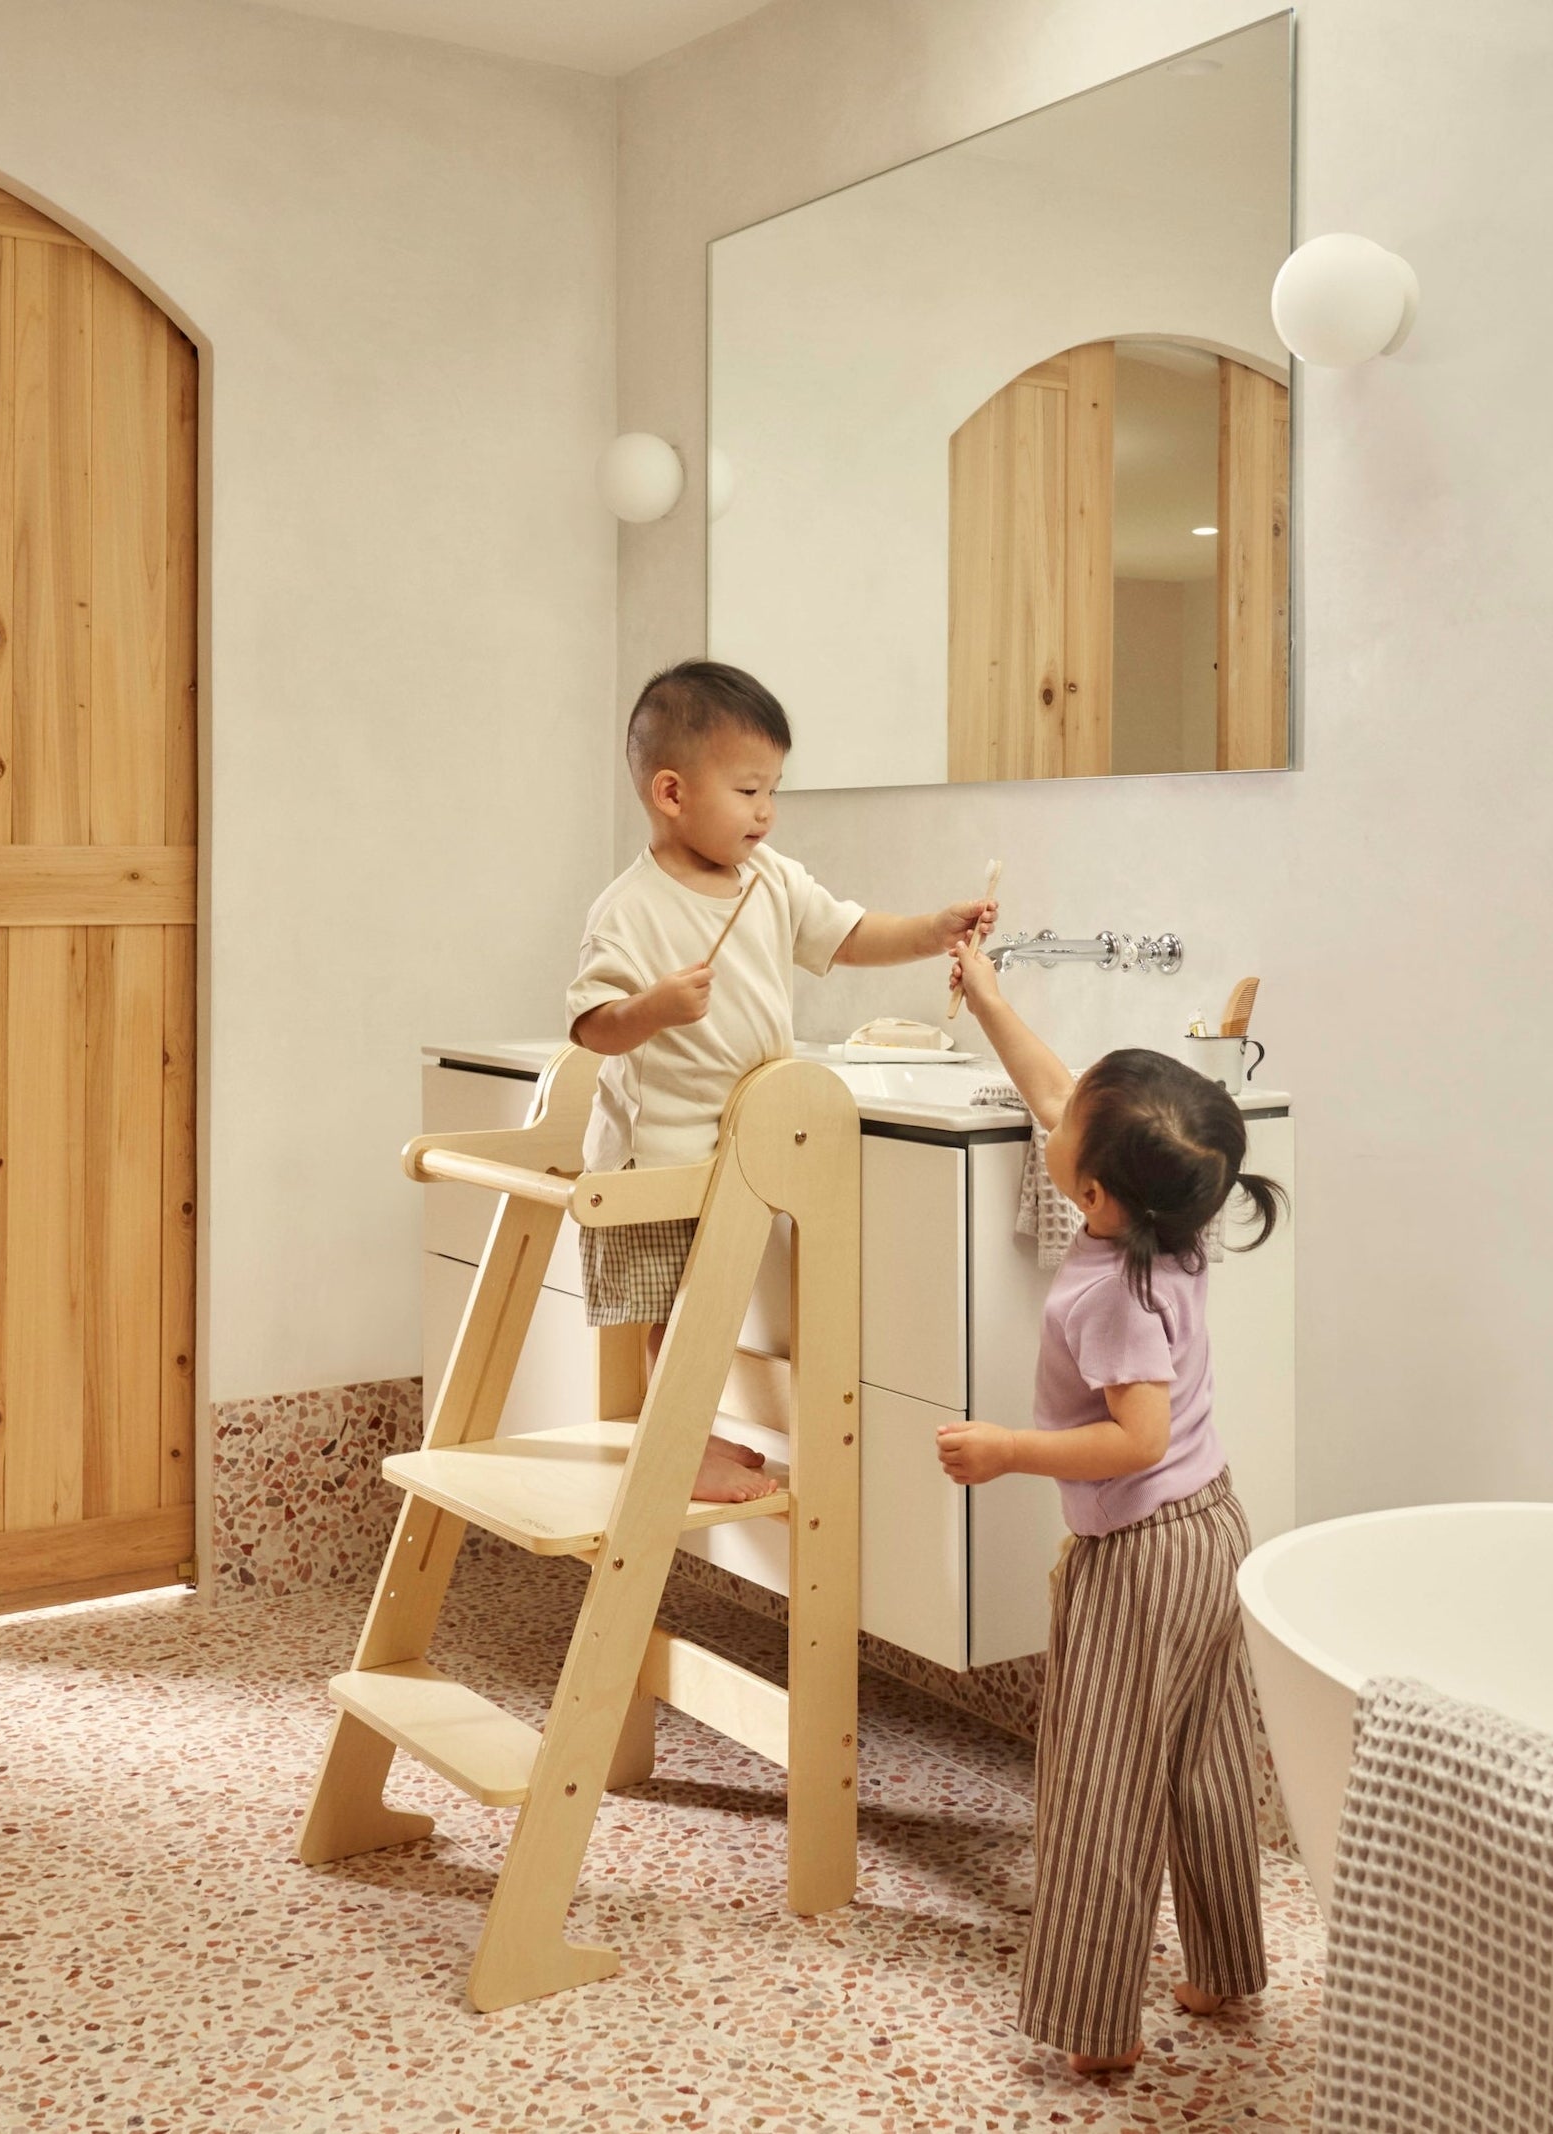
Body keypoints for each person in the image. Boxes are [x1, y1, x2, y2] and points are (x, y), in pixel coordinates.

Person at [937, 927, 1285, 2075]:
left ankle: (1093, 2025)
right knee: (1204, 1755)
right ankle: (1224, 1966)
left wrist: (1007, 1449)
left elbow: (1131, 1438)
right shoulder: (1161, 1219)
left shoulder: (1113, 1293)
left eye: (1069, 1125)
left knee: (1099, 1775)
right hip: (1211, 1529)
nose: (1055, 1106)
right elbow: (1057, 1087)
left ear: (1089, 1191)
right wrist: (985, 993)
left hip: (1139, 1553)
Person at [568, 659, 992, 1502]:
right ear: (672, 792)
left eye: (774, 791)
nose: (767, 812)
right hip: (661, 1157)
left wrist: (934, 930)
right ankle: (676, 1448)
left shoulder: (772, 881)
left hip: (747, 1149)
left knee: (717, 1309)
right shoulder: (630, 908)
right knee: (679, 1318)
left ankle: (689, 1436)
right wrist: (653, 1006)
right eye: (749, 790)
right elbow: (591, 1023)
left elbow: (850, 935)